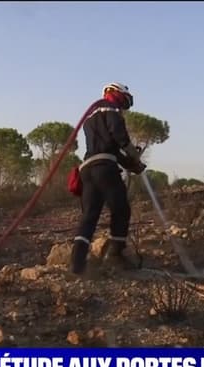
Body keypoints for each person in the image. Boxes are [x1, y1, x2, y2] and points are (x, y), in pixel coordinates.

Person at [70, 82, 147, 275]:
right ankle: (115, 257)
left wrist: (131, 164)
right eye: (125, 102)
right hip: (104, 168)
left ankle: (77, 264)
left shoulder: (91, 116)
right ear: (118, 94)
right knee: (121, 209)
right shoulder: (111, 109)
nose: (123, 108)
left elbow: (110, 147)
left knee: (89, 216)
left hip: (87, 169)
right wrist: (134, 154)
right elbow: (119, 138)